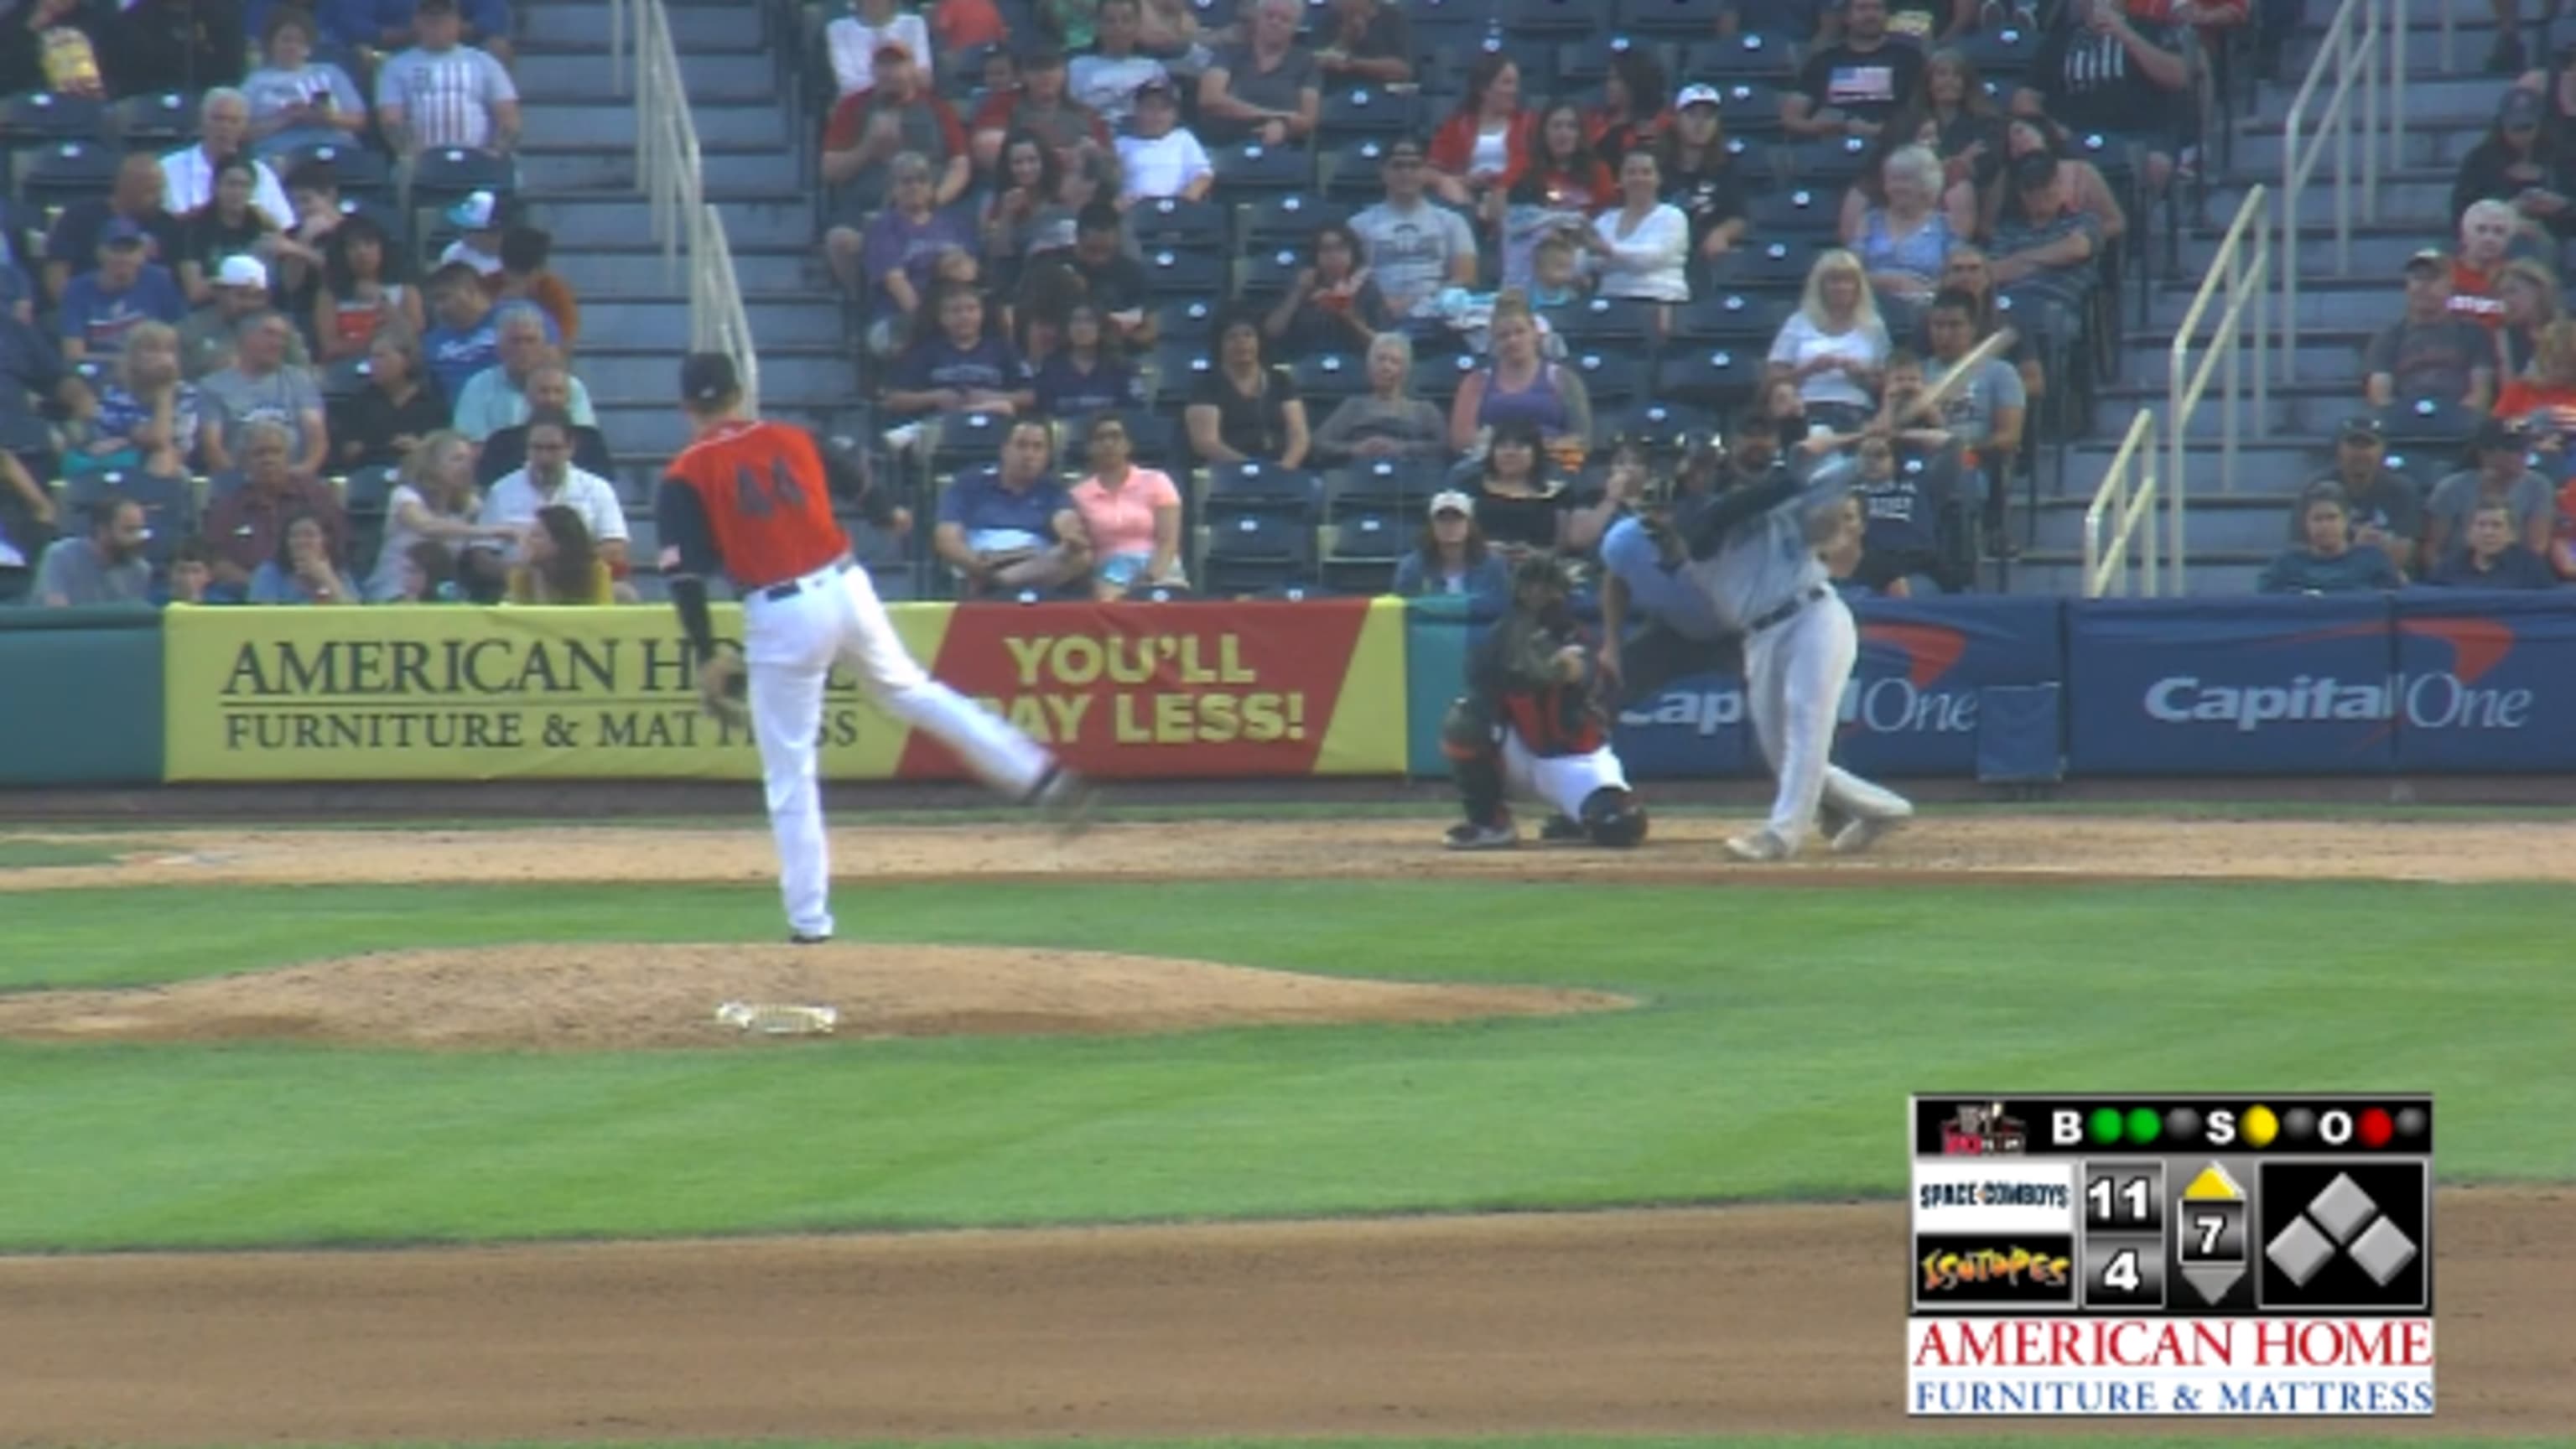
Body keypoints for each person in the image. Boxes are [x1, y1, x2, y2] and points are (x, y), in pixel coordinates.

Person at [661, 360, 1087, 933]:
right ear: (741, 393)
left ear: (687, 407)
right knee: (914, 692)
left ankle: (810, 923)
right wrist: (887, 511)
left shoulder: (686, 472)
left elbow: (684, 574)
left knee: (790, 770)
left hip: (781, 610)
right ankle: (1037, 774)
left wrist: (706, 649)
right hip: (846, 586)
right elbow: (853, 471)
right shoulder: (793, 435)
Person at [1674, 423, 1915, 860]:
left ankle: (1781, 834)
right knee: (1783, 754)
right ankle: (1885, 809)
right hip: (1760, 637)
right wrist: (1812, 463)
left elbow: (1823, 491)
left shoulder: (1774, 500)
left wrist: (1863, 453)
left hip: (1814, 616)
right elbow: (1729, 511)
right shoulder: (1697, 517)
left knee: (1807, 720)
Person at [1437, 553, 1649, 851]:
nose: (1537, 596)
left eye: (1546, 589)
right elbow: (1480, 687)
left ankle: (1577, 816)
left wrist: (1551, 667)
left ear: (1562, 593)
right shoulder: (1499, 639)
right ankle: (1490, 824)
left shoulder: (1575, 634)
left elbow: (1580, 670)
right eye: (1529, 588)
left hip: (1576, 762)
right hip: (1521, 755)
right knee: (1465, 719)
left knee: (1620, 826)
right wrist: (1515, 664)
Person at [1596, 447, 1742, 706]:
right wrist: (1611, 645)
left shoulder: (1724, 534)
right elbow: (1615, 581)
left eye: (1670, 511)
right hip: (1674, 628)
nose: (1662, 520)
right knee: (1612, 681)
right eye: (1653, 512)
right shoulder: (1624, 540)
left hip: (1737, 632)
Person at [2017, 0, 2189, 195]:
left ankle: (2138, 220)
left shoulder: (2148, 30)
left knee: (2156, 165)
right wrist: (2049, 127)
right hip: (2073, 138)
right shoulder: (2059, 39)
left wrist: (2125, 34)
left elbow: (2178, 77)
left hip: (2138, 136)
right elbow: (2025, 97)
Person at [374, 0, 521, 209]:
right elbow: (390, 119)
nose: (437, 26)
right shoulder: (396, 66)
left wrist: (496, 151)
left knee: (508, 171)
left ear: (458, 23)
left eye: (444, 20)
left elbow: (509, 116)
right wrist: (410, 152)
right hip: (421, 159)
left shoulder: (484, 63)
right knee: (403, 172)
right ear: (417, 23)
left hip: (478, 155)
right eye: (430, 20)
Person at [933, 417, 1093, 596]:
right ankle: (1002, 582)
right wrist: (977, 565)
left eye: (1038, 447)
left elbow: (1066, 521)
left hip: (1033, 566)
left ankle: (1001, 582)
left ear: (1047, 455)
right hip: (984, 560)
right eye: (1021, 446)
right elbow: (947, 539)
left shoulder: (1053, 490)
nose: (1029, 455)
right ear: (1005, 450)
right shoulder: (969, 483)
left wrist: (1071, 536)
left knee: (1081, 557)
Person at [199, 421, 347, 600]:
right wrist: (261, 584)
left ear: (289, 457)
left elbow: (339, 547)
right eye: (259, 453)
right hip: (243, 595)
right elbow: (216, 561)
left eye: (276, 452)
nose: (268, 459)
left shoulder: (316, 497)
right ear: (244, 461)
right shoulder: (228, 507)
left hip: (311, 587)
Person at [822, 43, 971, 220]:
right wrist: (868, 147)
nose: (889, 72)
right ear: (873, 70)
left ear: (913, 69)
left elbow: (960, 165)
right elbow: (830, 171)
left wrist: (935, 201)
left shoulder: (937, 107)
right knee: (841, 240)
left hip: (929, 208)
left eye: (897, 64)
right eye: (883, 65)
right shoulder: (852, 106)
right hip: (865, 207)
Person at [476, 408, 631, 579]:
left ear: (570, 448)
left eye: (553, 448)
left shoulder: (597, 488)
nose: (544, 458)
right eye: (537, 448)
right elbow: (481, 555)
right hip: (517, 586)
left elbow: (615, 546)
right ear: (526, 447)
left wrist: (561, 566)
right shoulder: (501, 491)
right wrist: (518, 572)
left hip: (582, 583)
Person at [368, 428, 512, 600]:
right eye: (457, 459)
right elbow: (427, 527)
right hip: (394, 592)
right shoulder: (405, 496)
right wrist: (490, 530)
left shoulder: (470, 505)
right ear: (433, 463)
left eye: (469, 461)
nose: (466, 467)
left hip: (441, 594)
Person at [1350, 138, 1481, 329]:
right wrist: (1381, 302)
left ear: (1426, 172)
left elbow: (1467, 277)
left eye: (1414, 166)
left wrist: (1423, 303)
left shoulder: (1452, 222)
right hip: (1378, 317)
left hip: (1438, 318)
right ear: (1383, 172)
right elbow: (1352, 279)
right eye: (1398, 166)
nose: (1406, 173)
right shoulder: (1359, 225)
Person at [1451, 294, 1594, 463]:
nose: (1513, 341)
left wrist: (1536, 449)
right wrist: (1506, 451)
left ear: (1534, 332)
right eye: (1503, 336)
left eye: (1520, 332)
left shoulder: (1563, 378)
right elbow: (1461, 441)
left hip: (1552, 464)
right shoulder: (1476, 382)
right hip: (1491, 464)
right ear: (1494, 340)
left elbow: (1582, 439)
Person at [1843, 144, 1966, 338]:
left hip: (1927, 314)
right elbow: (1848, 273)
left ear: (1927, 184)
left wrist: (1925, 291)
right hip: (1872, 310)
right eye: (1892, 180)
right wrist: (1888, 281)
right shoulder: (1869, 221)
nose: (1896, 187)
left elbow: (1959, 276)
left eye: (1905, 180)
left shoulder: (1945, 225)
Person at [1768, 249, 1890, 434]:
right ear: (1820, 285)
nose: (1841, 287)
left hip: (1856, 409)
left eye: (1847, 281)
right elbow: (1772, 380)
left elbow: (1887, 381)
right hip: (1805, 407)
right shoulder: (1799, 322)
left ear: (1858, 286)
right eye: (1834, 281)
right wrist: (1809, 369)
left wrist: (1861, 374)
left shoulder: (1873, 325)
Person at [1499, 101, 1615, 293]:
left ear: (1580, 134)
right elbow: (1503, 212)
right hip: (1534, 257)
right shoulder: (1523, 166)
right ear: (1543, 132)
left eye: (1571, 127)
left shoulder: (1598, 171)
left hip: (1583, 255)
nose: (1564, 133)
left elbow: (1606, 223)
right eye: (1556, 126)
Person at [198, 312, 330, 478]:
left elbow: (316, 436)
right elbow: (211, 446)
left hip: (295, 479)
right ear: (246, 338)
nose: (278, 343)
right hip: (238, 485)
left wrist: (304, 471)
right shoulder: (212, 386)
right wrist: (238, 480)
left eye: (282, 337)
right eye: (269, 334)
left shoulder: (300, 381)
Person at [2370, 250, 2499, 418]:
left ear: (2450, 285)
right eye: (2418, 278)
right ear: (2407, 286)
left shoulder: (2474, 334)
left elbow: (2481, 394)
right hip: (2406, 424)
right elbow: (2381, 399)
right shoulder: (2388, 338)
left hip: (2460, 424)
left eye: (2433, 278)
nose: (2424, 286)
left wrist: (2455, 418)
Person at [42, 153, 183, 308]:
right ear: (125, 189)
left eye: (160, 190)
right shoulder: (80, 218)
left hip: (149, 319)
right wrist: (75, 313)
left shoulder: (167, 225)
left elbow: (175, 286)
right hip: (90, 314)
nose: (159, 198)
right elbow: (57, 275)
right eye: (150, 191)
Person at [1068, 413, 1185, 597]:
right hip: (1109, 571)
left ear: (1128, 444)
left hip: (1158, 564)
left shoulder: (1157, 481)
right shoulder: (1078, 495)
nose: (1108, 444)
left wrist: (1149, 577)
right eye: (1100, 438)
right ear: (1089, 448)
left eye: (1115, 436)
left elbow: (1168, 542)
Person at [1782, 0, 1925, 142]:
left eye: (1877, 8)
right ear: (1846, 17)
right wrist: (1819, 127)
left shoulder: (1909, 58)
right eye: (1862, 8)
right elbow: (1791, 117)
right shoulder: (1824, 61)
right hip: (1832, 144)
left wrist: (1878, 130)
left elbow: (1922, 111)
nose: (1871, 15)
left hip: (1891, 143)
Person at [2423, 418, 2556, 570]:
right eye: (2514, 450)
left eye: (2526, 449)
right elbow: (2432, 548)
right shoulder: (2451, 489)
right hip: (2459, 577)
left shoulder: (2539, 487)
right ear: (2486, 453)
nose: (2524, 456)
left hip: (2517, 577)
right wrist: (2444, 580)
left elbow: (2537, 547)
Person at [452, 305, 598, 441]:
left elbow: (583, 441)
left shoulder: (570, 386)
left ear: (543, 346)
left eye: (530, 341)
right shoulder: (478, 386)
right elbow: (470, 443)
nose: (523, 348)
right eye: (515, 341)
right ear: (499, 347)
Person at [2301, 417, 2422, 579]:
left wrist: (2344, 548)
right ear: (2339, 449)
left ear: (2382, 449)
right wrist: (2359, 548)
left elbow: (2403, 553)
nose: (2360, 453)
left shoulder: (2402, 490)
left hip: (2384, 581)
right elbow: (2302, 547)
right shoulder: (2317, 486)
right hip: (2328, 579)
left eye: (2368, 445)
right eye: (2353, 445)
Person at [883, 284, 1031, 418]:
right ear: (942, 317)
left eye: (971, 309)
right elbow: (894, 399)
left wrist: (994, 397)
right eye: (955, 311)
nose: (964, 316)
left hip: (994, 425)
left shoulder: (1003, 349)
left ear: (982, 313)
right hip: (940, 428)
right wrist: (934, 397)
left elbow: (1030, 395)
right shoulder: (925, 352)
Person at [80, 320, 200, 482]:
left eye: (168, 350)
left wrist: (164, 392)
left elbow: (166, 443)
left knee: (163, 456)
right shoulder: (115, 396)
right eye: (152, 349)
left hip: (171, 468)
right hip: (116, 466)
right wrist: (137, 439)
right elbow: (101, 446)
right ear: (133, 357)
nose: (162, 357)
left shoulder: (187, 395)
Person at [1186, 312, 1310, 467]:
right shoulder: (1207, 384)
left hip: (1282, 467)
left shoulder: (1280, 380)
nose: (1241, 343)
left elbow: (1299, 435)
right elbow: (1206, 443)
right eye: (1232, 337)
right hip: (1229, 470)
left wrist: (1285, 467)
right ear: (1220, 345)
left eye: (1248, 335)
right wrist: (1252, 466)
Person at [162, 90, 298, 229]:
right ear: (202, 121)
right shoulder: (168, 169)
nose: (225, 127)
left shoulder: (262, 173)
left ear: (244, 126)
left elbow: (285, 226)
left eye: (234, 121)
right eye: (218, 119)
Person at [243, 8, 366, 158]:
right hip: (280, 155)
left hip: (335, 150)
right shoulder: (255, 82)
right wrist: (286, 118)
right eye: (286, 39)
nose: (292, 46)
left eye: (300, 41)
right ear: (271, 44)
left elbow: (359, 121)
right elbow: (242, 133)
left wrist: (328, 118)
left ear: (309, 48)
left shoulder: (331, 73)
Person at [60, 221, 188, 364]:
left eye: (130, 250)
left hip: (151, 370)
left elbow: (180, 333)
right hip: (101, 370)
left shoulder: (158, 280)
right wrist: (127, 361)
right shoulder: (77, 289)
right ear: (99, 252)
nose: (123, 258)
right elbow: (73, 354)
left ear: (141, 254)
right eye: (115, 250)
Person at [2454, 87, 2574, 241]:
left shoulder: (2561, 158)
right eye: (2514, 128)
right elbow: (2461, 215)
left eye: (2527, 127)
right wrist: (2509, 211)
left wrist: (2563, 205)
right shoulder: (2479, 162)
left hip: (2556, 238)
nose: (2521, 135)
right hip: (2496, 242)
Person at [969, 43, 1109, 173]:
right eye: (1036, 69)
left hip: (1074, 188)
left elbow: (1107, 161)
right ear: (1022, 74)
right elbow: (987, 149)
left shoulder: (1085, 113)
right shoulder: (1003, 103)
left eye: (1052, 67)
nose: (1045, 75)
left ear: (1065, 73)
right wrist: (1056, 159)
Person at [1197, 0, 1319, 147]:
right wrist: (1275, 116)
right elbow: (1210, 99)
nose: (1275, 22)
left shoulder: (1306, 62)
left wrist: (1284, 127)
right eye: (1269, 16)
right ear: (1258, 18)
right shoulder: (1228, 52)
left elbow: (1308, 119)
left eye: (1285, 19)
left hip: (1278, 147)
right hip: (1222, 145)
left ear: (1295, 27)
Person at [1313, 331, 1447, 464]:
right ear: (1369, 367)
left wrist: (1403, 448)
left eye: (1394, 362)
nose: (1386, 367)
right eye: (1380, 359)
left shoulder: (1425, 410)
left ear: (1406, 371)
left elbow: (1445, 447)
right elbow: (1319, 443)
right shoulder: (1353, 406)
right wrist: (1354, 449)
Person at [1264, 222, 1391, 359]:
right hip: (1306, 364)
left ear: (1352, 254)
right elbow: (1271, 332)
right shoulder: (1302, 286)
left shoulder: (1368, 289)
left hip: (1356, 367)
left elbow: (1382, 345)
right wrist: (1298, 292)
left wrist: (1349, 317)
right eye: (1326, 249)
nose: (1333, 255)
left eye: (1341, 249)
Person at [1659, 86, 1750, 270]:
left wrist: (1722, 233)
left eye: (1708, 116)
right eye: (1692, 115)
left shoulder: (1726, 167)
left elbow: (1740, 217)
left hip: (1708, 258)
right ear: (1676, 120)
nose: (1700, 124)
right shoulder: (1658, 166)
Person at [1427, 55, 1535, 210]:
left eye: (1516, 84)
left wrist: (1500, 184)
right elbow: (1430, 172)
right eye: (1507, 83)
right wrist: (1463, 180)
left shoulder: (1528, 123)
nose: (1514, 90)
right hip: (1468, 195)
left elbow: (1528, 163)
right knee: (1447, 184)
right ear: (1484, 89)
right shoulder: (1457, 125)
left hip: (1514, 194)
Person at [331, 328, 449, 469]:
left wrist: (420, 448)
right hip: (371, 474)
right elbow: (347, 449)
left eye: (381, 356)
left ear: (406, 360)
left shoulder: (432, 401)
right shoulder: (360, 402)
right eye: (371, 357)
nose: (373, 363)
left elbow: (444, 449)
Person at [1585, 151, 1692, 305]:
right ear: (1620, 180)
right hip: (1610, 300)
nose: (1638, 178)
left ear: (1658, 179)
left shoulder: (1673, 216)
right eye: (1631, 173)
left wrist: (1608, 252)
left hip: (1661, 301)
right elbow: (1589, 261)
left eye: (1646, 172)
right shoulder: (1605, 220)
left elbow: (1652, 258)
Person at [314, 214, 423, 361]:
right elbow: (330, 347)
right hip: (346, 368)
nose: (362, 252)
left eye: (369, 243)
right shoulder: (329, 294)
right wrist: (374, 344)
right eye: (352, 246)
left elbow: (412, 337)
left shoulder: (406, 290)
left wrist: (382, 302)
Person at [2257, 485, 2403, 595]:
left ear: (2346, 521)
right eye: (2317, 519)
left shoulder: (2373, 559)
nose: (2325, 526)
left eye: (2332, 517)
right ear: (2305, 523)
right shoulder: (2286, 565)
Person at [1392, 489, 1511, 605]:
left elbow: (1501, 609)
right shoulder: (1412, 567)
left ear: (1470, 524)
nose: (1449, 525)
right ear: (1431, 526)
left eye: (1457, 518)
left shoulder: (1494, 566)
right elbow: (1403, 608)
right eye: (1442, 519)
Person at [1113, 75, 1214, 204]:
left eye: (1164, 108)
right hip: (1135, 210)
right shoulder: (1121, 145)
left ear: (1175, 114)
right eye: (1150, 107)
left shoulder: (1183, 139)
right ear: (1137, 110)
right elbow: (1109, 184)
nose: (1157, 114)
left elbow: (1202, 174)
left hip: (1177, 207)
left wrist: (1190, 195)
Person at [32, 500, 151, 609]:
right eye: (129, 530)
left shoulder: (139, 570)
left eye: (140, 530)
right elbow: (57, 613)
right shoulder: (60, 556)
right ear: (103, 530)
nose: (137, 538)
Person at [1070, 0, 1169, 129]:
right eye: (1110, 21)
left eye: (1126, 20)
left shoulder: (1153, 69)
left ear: (1137, 25)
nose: (1118, 27)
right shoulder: (1078, 67)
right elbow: (1069, 113)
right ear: (1098, 25)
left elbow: (1162, 115)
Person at [1031, 302, 1139, 418]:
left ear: (1101, 328)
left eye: (1089, 321)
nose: (1081, 328)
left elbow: (1133, 413)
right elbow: (1043, 413)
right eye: (1075, 321)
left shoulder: (1122, 368)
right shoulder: (1050, 368)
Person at [2428, 499, 2560, 589]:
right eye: (2481, 525)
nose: (2488, 532)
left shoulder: (2532, 568)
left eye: (2497, 525)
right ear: (2469, 532)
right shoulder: (2448, 566)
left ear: (2512, 535)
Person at [506, 504, 617, 605]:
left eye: (536, 536)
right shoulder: (521, 575)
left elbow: (600, 617)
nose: (527, 541)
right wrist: (537, 578)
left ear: (561, 542)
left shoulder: (595, 571)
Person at [247, 511, 360, 604]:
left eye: (310, 535)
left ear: (325, 541)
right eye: (294, 536)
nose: (301, 542)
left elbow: (356, 619)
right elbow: (263, 620)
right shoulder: (269, 573)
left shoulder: (339, 573)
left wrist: (326, 577)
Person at [496, 226, 579, 350]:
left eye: (527, 275)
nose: (520, 282)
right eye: (513, 274)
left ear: (540, 270)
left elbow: (565, 344)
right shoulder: (487, 288)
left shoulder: (555, 292)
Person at [828, 0, 933, 97]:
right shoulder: (838, 29)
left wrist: (881, 81)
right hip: (858, 105)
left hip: (908, 102)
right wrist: (899, 80)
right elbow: (847, 84)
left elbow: (923, 78)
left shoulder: (914, 24)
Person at [2492, 257, 2562, 382]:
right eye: (2501, 295)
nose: (2506, 301)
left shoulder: (2567, 333)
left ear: (2538, 291)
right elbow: (2509, 388)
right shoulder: (2504, 336)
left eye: (2512, 291)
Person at [1315, 0, 1411, 85]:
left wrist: (1354, 64)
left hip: (1382, 91)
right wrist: (1345, 40)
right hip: (1337, 92)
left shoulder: (1393, 17)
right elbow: (1316, 62)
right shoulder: (1330, 18)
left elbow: (1404, 70)